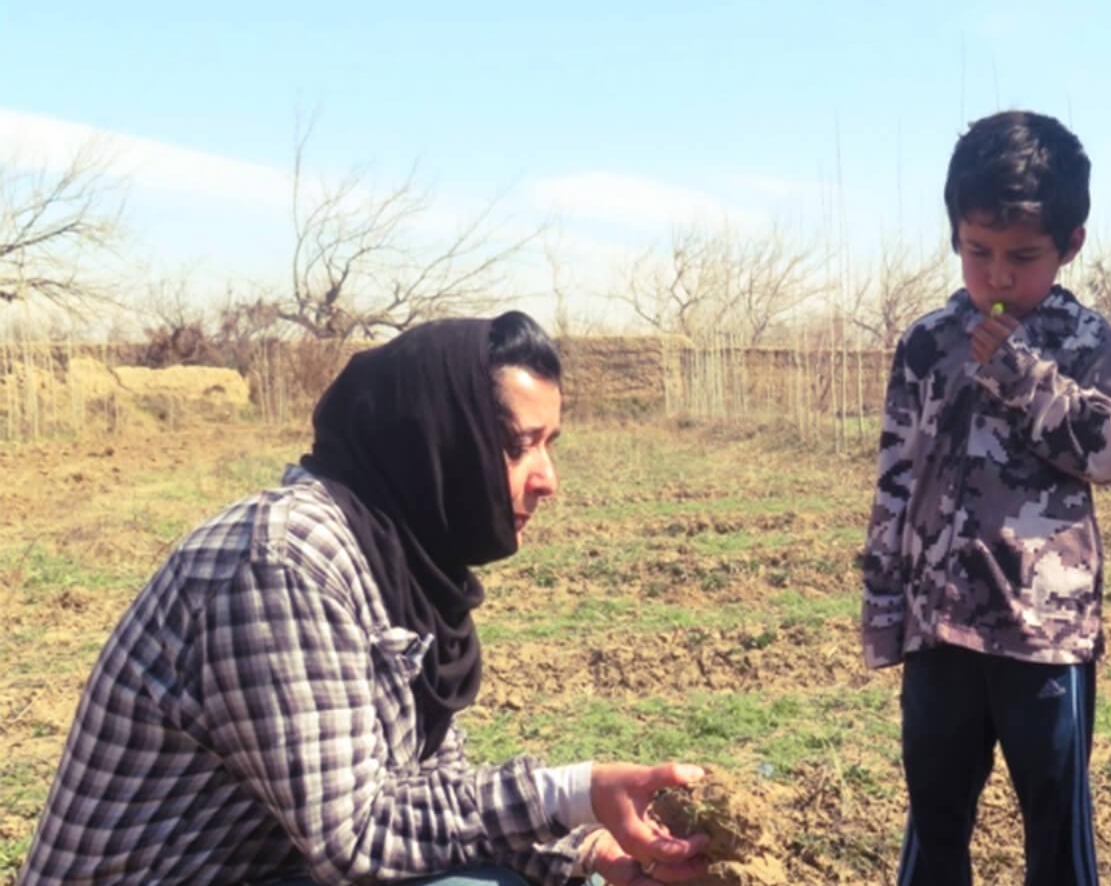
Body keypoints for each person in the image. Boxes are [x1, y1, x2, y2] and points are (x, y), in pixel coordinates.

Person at [22, 312, 711, 886]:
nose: (548, 479)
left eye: (549, 446)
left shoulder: (402, 567)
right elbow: (357, 835)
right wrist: (573, 794)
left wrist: (591, 854)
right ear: (437, 438)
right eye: (513, 446)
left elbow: (430, 792)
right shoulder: (283, 564)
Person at [860, 110, 1111, 886]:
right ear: (954, 234)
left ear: (1070, 245)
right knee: (936, 820)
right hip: (939, 627)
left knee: (1057, 828)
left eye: (1022, 257)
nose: (997, 277)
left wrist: (1022, 375)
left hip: (1043, 636)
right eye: (978, 252)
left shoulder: (1084, 342)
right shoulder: (926, 342)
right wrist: (885, 605)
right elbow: (897, 476)